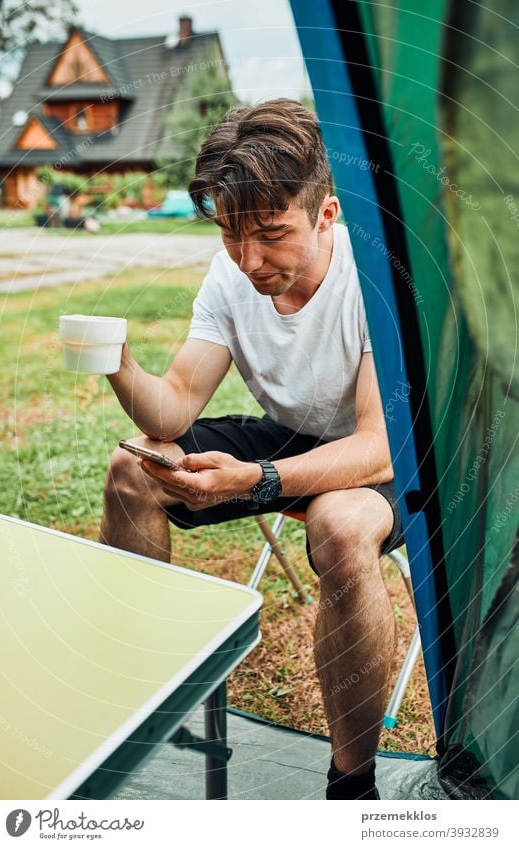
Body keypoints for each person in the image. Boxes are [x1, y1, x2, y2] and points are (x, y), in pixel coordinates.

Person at [100, 99, 404, 800]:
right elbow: (175, 401)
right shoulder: (229, 274)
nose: (249, 259)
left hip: (384, 456)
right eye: (232, 234)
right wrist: (117, 360)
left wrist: (256, 479)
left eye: (271, 233)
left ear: (326, 213)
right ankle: (137, 702)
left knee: (340, 522)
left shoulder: (375, 274)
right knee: (132, 468)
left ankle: (351, 786)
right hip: (291, 437)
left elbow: (375, 446)